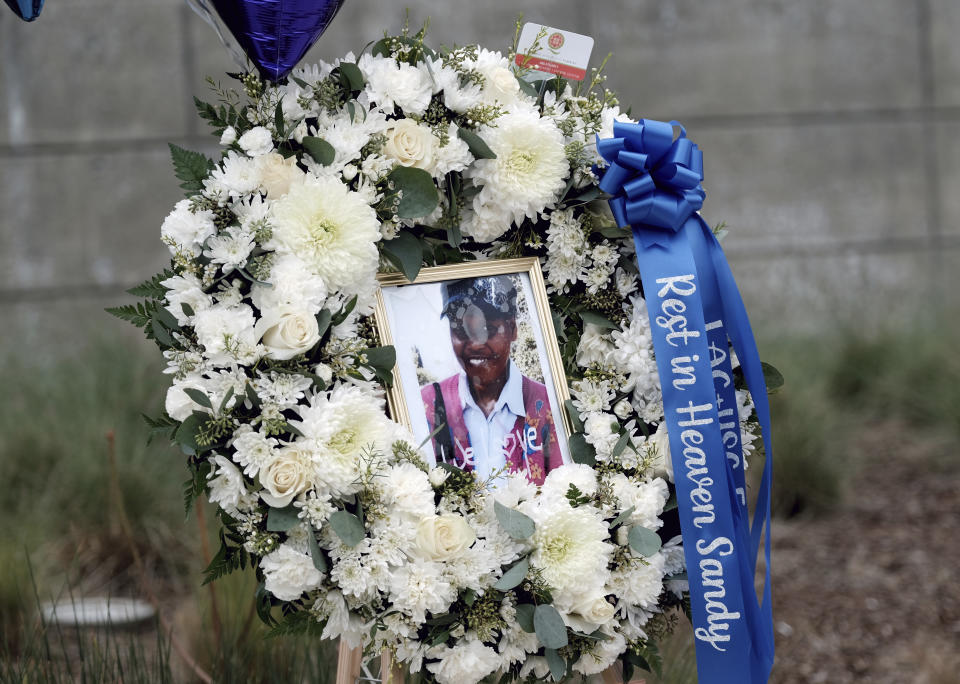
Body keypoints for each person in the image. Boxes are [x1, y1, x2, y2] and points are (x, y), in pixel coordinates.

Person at [421, 276, 561, 485]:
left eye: (488, 329)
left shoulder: (549, 404)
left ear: (513, 329)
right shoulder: (427, 406)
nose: (476, 344)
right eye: (460, 330)